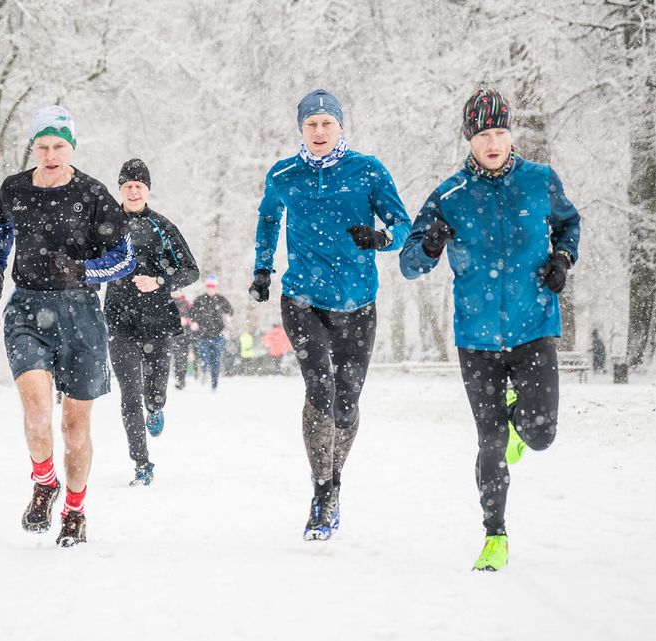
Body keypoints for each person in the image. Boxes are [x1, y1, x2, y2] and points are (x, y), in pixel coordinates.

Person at [400, 88, 581, 571]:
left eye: (500, 132)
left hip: (534, 325)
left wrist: (563, 258)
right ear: (470, 139)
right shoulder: (450, 195)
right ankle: (494, 535)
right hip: (475, 337)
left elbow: (569, 225)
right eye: (484, 134)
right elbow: (410, 264)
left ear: (511, 134)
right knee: (490, 441)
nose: (494, 141)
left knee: (540, 435)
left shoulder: (540, 180)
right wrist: (431, 246)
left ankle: (523, 424)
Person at [249, 88, 411, 541]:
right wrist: (263, 269)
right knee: (320, 388)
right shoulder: (284, 174)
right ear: (301, 129)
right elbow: (267, 219)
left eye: (327, 123)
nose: (319, 131)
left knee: (347, 401)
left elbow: (404, 225)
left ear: (341, 126)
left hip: (358, 303)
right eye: (311, 124)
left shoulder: (368, 170)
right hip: (301, 299)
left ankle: (333, 480)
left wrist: (381, 239)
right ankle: (324, 492)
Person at [0, 105, 135, 547]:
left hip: (81, 313)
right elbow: (1, 230)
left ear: (72, 148)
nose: (51, 155)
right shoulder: (14, 188)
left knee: (74, 427)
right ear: (33, 147)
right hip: (27, 308)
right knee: (34, 410)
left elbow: (123, 257)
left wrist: (82, 271)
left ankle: (74, 508)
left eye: (59, 147)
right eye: (43, 146)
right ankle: (44, 481)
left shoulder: (92, 194)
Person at [104, 159, 198, 486]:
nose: (133, 190)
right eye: (127, 185)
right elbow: (86, 265)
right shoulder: (105, 224)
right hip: (119, 322)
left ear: (147, 190)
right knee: (129, 395)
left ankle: (156, 407)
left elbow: (190, 269)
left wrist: (159, 280)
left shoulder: (162, 226)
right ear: (120, 189)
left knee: (154, 392)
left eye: (138, 185)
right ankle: (142, 464)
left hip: (158, 321)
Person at [190, 275, 233, 390]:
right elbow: (192, 313)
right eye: (209, 287)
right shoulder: (200, 300)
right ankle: (204, 372)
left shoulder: (221, 300)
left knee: (216, 360)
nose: (211, 289)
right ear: (206, 287)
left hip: (218, 335)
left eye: (213, 287)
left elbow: (230, 310)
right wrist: (194, 322)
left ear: (216, 287)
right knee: (204, 357)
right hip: (202, 335)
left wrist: (228, 316)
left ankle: (214, 383)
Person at [170, 293, 193, 389]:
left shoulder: (186, 303)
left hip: (184, 335)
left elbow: (194, 318)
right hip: (172, 334)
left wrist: (186, 321)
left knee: (182, 358)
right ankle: (178, 378)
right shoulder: (168, 302)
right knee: (176, 357)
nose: (176, 292)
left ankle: (181, 379)